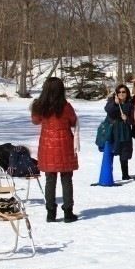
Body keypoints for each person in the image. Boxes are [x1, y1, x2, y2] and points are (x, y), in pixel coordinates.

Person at [30, 77, 79, 223]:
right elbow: (73, 121)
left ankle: (50, 213)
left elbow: (35, 121)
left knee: (50, 180)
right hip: (65, 145)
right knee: (66, 179)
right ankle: (68, 212)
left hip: (47, 146)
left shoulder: (40, 106)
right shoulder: (65, 106)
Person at [104, 84, 133, 180]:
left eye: (123, 92)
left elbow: (133, 120)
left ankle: (125, 174)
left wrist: (127, 119)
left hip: (124, 130)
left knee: (124, 152)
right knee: (110, 151)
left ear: (127, 93)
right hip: (113, 130)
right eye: (119, 92)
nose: (121, 93)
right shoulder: (112, 101)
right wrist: (115, 103)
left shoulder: (130, 103)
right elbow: (108, 110)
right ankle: (107, 175)